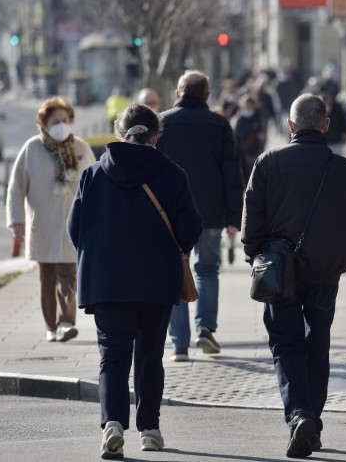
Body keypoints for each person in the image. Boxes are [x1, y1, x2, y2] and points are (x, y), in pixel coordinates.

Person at [67, 103, 202, 459]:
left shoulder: (94, 175)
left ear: (119, 133)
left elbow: (74, 230)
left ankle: (112, 424)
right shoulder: (173, 174)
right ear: (155, 136)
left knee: (112, 358)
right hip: (157, 282)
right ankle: (150, 430)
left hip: (107, 282)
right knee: (149, 356)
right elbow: (190, 228)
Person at [241, 94, 346, 458]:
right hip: (327, 272)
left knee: (286, 344)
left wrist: (256, 258)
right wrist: (345, 261)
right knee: (319, 345)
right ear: (326, 125)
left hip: (280, 272)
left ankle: (300, 415)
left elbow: (252, 223)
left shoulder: (268, 163)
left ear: (291, 126)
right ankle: (312, 418)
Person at [157, 70, 243, 362]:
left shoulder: (162, 123)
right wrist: (234, 217)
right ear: (207, 95)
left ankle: (179, 344)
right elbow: (232, 173)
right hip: (210, 213)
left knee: (173, 273)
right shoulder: (220, 125)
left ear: (178, 93)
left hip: (170, 213)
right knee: (207, 270)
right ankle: (205, 329)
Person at [6, 96, 95, 343]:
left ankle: (67, 322)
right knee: (46, 279)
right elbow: (16, 188)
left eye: (65, 120)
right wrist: (16, 220)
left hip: (72, 225)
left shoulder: (80, 148)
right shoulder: (31, 148)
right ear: (43, 124)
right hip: (41, 225)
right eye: (55, 120)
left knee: (68, 275)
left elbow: (94, 184)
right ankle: (51, 325)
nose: (61, 125)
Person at [231, 93, 266, 179]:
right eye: (246, 105)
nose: (247, 107)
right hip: (243, 152)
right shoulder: (239, 119)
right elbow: (236, 135)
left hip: (256, 151)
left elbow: (263, 133)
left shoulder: (258, 117)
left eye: (250, 105)